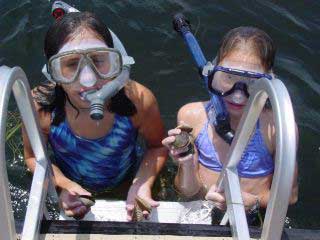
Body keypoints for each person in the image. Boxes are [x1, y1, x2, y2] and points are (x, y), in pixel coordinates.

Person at [22, 11, 167, 221]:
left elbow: (157, 146)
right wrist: (64, 186)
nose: (88, 79)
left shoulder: (139, 100)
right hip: (71, 188)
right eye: (71, 64)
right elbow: (33, 157)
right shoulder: (41, 105)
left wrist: (141, 185)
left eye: (98, 60)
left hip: (126, 184)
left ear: (116, 63)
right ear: (53, 72)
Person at [162, 26, 298, 224]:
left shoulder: (278, 128)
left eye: (252, 81)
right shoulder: (192, 115)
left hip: (253, 215)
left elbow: (290, 197)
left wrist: (252, 202)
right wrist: (186, 164)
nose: (237, 94)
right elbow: (188, 192)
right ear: (213, 73)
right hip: (200, 209)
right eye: (228, 77)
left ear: (268, 83)